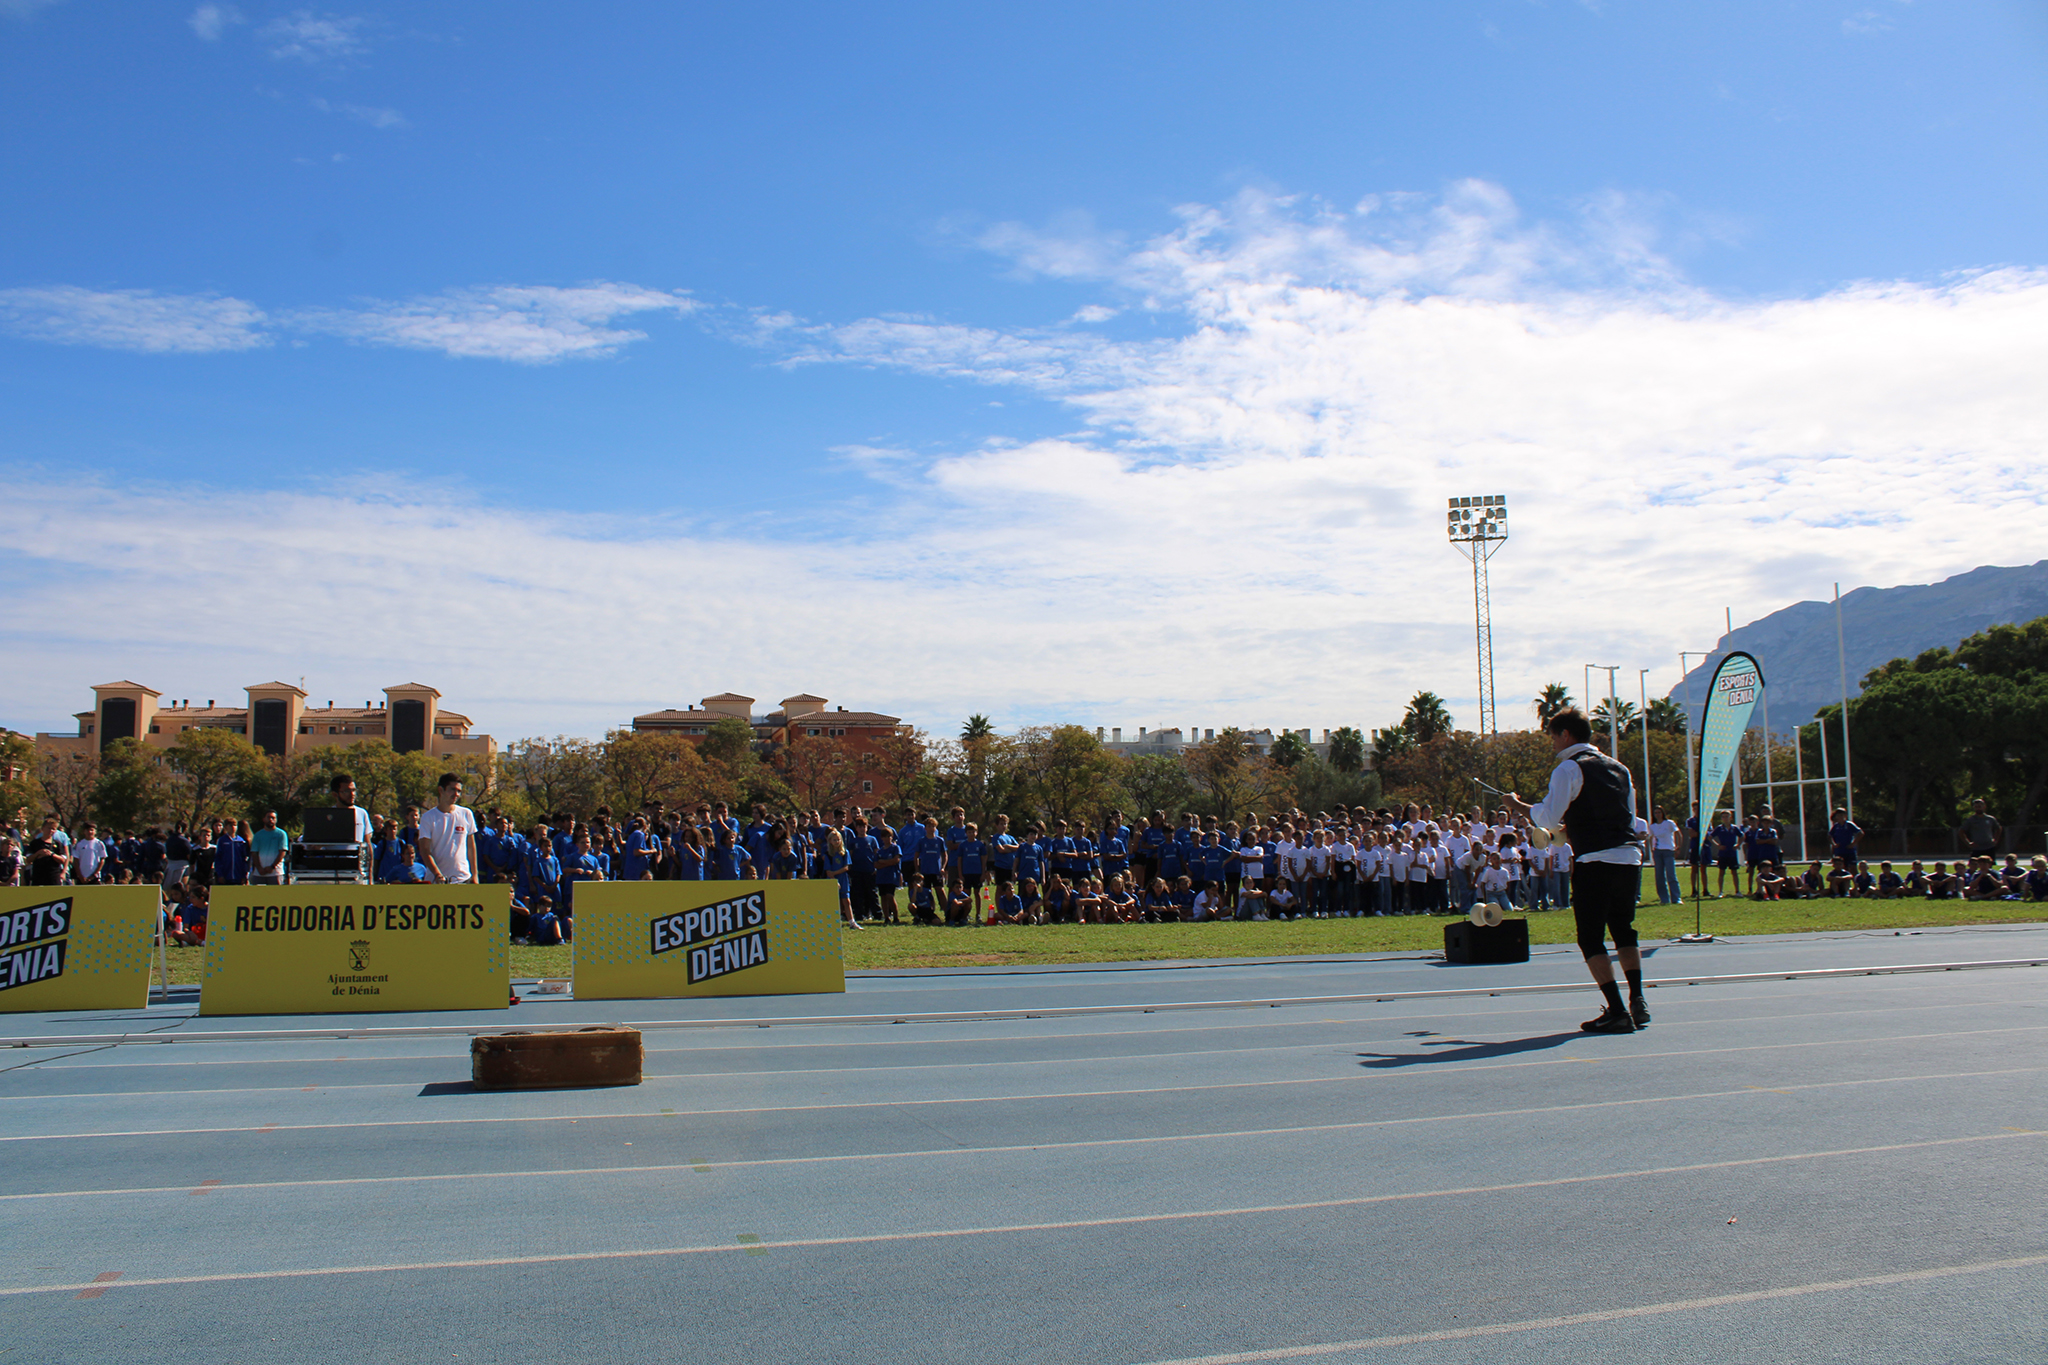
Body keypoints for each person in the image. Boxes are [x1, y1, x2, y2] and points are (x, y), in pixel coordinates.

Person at [1504, 708, 1648, 1035]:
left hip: (1595, 861)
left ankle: (1616, 1009)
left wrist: (1517, 805)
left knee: (1591, 937)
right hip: (1629, 859)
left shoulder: (1568, 768)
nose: (1552, 743)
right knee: (1624, 929)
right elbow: (1628, 819)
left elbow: (1548, 819)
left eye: (1553, 736)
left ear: (1565, 735)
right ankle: (1638, 998)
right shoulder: (1620, 768)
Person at [418, 774, 479, 885]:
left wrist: (475, 875)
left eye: (459, 791)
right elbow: (425, 850)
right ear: (441, 790)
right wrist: (437, 874)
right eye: (452, 789)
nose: (456, 794)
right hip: (436, 882)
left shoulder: (466, 813)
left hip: (463, 879)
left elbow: (471, 847)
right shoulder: (428, 817)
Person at [1646, 806, 1680, 905]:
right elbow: (1651, 838)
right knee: (1659, 876)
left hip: (1668, 850)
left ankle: (1676, 898)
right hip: (1658, 851)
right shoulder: (1653, 826)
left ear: (1663, 813)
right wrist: (1652, 850)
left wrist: (1678, 847)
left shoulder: (1669, 823)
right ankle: (1664, 899)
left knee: (1671, 875)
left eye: (1659, 812)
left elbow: (1678, 834)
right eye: (1656, 813)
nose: (1657, 814)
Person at [250, 811, 289, 885]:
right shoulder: (258, 835)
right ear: (264, 819)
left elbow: (282, 852)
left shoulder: (281, 834)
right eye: (268, 817)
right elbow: (254, 853)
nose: (271, 820)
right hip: (259, 873)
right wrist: (259, 868)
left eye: (273, 818)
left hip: (275, 872)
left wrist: (272, 867)